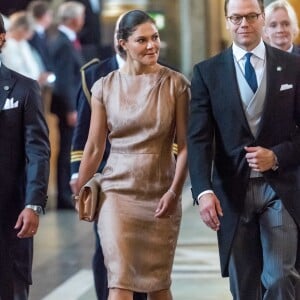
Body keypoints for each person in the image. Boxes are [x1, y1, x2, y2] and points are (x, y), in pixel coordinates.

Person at [188, 0, 300, 299]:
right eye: (236, 17)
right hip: (231, 194)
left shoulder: (293, 66)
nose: (244, 23)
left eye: (251, 16)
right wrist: (203, 191)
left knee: (279, 277)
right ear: (226, 21)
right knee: (245, 286)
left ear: (262, 18)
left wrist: (276, 155)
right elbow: (198, 139)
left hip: (280, 189)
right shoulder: (206, 73)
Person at [75, 9, 190, 300]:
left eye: (155, 38)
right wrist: (82, 189)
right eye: (142, 40)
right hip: (116, 193)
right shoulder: (104, 86)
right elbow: (94, 146)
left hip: (160, 192)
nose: (152, 45)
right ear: (123, 43)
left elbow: (186, 145)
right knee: (120, 282)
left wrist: (175, 192)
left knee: (158, 285)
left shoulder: (176, 85)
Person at [70, 15, 146, 300]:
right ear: (120, 40)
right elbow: (84, 135)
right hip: (107, 178)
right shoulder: (93, 76)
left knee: (144, 252)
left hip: (147, 177)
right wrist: (78, 174)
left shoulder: (163, 75)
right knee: (107, 248)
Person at [0, 13, 50, 300]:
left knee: (12, 289)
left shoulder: (23, 88)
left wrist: (34, 203)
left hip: (10, 211)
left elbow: (38, 151)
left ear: (2, 38)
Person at [48, 1, 85, 209]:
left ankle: (66, 193)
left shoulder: (67, 40)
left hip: (71, 106)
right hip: (67, 108)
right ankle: (63, 195)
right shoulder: (62, 43)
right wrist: (71, 108)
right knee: (66, 151)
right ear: (74, 19)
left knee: (69, 149)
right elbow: (64, 80)